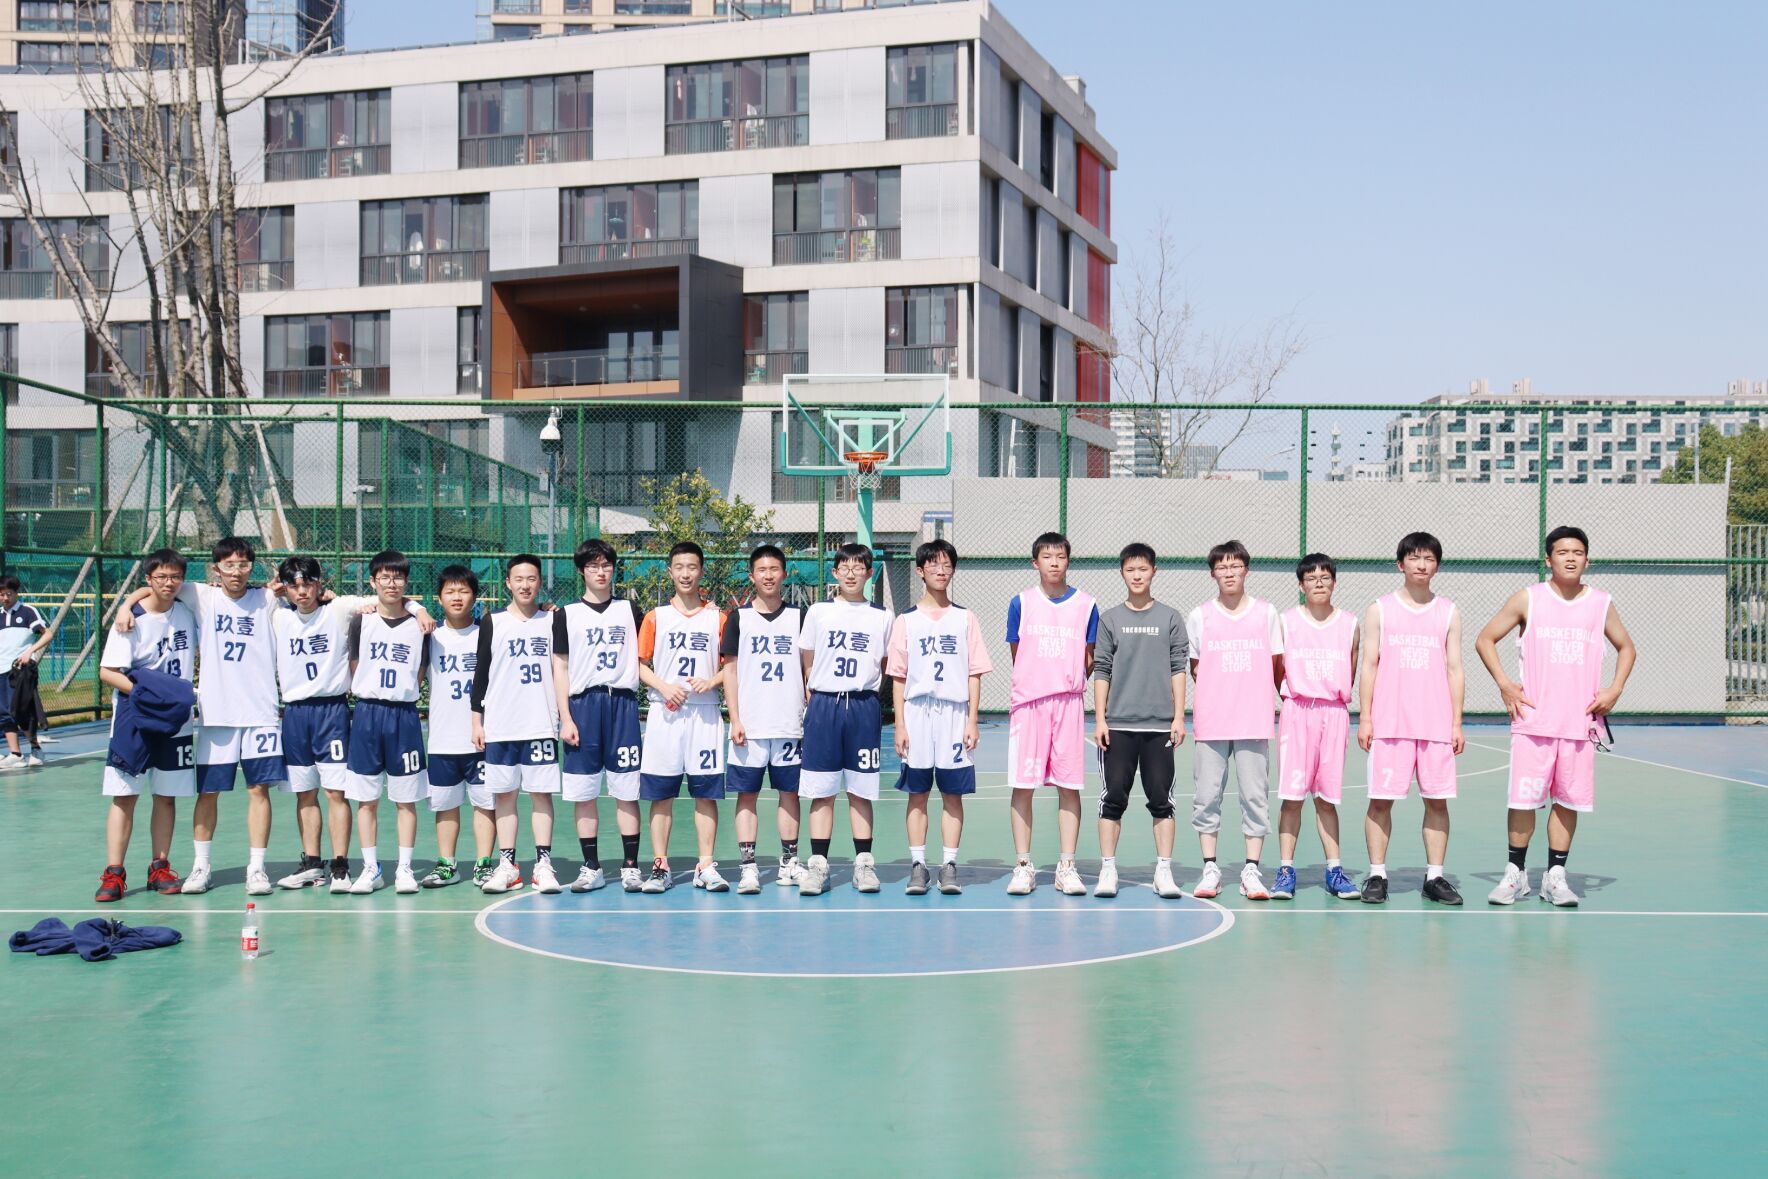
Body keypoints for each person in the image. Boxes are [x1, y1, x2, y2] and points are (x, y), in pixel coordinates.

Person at [1475, 526, 1637, 907]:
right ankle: (1515, 875)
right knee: (1523, 800)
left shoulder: (1600, 603)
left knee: (1567, 801)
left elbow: (1627, 647)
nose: (1570, 558)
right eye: (1562, 552)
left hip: (1579, 723)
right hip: (1534, 721)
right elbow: (1485, 639)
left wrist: (1614, 689)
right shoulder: (1529, 599)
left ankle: (1555, 877)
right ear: (1548, 559)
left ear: (1587, 560)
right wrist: (1505, 684)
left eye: (1577, 552)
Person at [116, 537, 285, 895]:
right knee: (209, 791)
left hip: (260, 713)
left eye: (243, 564)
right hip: (216, 714)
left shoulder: (267, 598)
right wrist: (126, 605)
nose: (236, 571)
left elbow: (313, 597)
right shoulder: (201, 595)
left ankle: (256, 869)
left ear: (251, 567)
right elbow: (157, 585)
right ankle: (200, 866)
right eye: (229, 565)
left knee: (258, 790)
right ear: (216, 569)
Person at [1359, 532, 1465, 906]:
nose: (1422, 565)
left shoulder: (1448, 611)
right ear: (1400, 564)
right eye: (1415, 558)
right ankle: (1377, 874)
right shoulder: (1380, 609)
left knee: (1437, 801)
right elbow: (1369, 665)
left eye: (1429, 559)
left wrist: (1456, 722)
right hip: (1391, 723)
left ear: (1437, 566)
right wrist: (1366, 717)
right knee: (1380, 801)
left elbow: (1455, 668)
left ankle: (1434, 877)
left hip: (1435, 725)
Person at [268, 556, 379, 892]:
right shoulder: (278, 616)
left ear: (320, 584)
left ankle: (340, 865)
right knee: (304, 793)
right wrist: (272, 589)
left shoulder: (338, 610)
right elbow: (244, 597)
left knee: (335, 792)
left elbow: (387, 597)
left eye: (308, 584)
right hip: (295, 713)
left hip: (331, 712)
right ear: (285, 588)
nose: (301, 592)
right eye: (293, 586)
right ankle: (313, 864)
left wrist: (417, 611)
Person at [889, 539, 990, 896]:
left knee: (952, 794)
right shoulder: (906, 620)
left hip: (953, 712)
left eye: (947, 565)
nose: (941, 570)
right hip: (917, 712)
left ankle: (949, 865)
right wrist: (900, 724)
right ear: (920, 571)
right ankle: (918, 865)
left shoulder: (965, 618)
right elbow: (898, 676)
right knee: (917, 793)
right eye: (933, 564)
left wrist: (972, 719)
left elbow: (974, 672)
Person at [94, 548, 196, 900]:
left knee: (166, 796)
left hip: (175, 718)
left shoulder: (188, 610)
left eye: (175, 576)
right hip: (135, 714)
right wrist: (151, 693)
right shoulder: (131, 620)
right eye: (161, 577)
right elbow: (108, 672)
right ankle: (114, 873)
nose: (169, 583)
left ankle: (160, 867)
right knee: (124, 796)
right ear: (149, 579)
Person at [795, 543, 894, 897]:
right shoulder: (819, 611)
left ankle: (864, 864)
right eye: (844, 567)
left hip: (863, 706)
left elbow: (886, 664)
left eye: (858, 567)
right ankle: (818, 866)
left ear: (869, 573)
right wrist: (816, 691)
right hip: (824, 705)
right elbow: (808, 660)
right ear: (834, 573)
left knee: (860, 790)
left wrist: (866, 692)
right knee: (821, 791)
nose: (851, 573)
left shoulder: (882, 616)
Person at [1186, 541, 1283, 900]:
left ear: (1247, 570)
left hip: (1253, 720)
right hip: (1212, 720)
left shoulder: (1266, 613)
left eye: (1235, 566)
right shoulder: (1200, 616)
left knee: (1255, 797)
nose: (1229, 573)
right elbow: (1197, 668)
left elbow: (1275, 663)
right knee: (1206, 796)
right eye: (1222, 567)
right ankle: (1210, 868)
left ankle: (1251, 870)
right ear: (1213, 573)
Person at [1092, 542, 1188, 900]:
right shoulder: (1110, 619)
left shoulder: (1170, 618)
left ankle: (1163, 870)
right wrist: (1100, 719)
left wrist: (1179, 716)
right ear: (1122, 573)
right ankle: (1108, 869)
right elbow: (1101, 670)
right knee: (1113, 799)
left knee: (1162, 800)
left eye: (1143, 569)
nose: (1137, 575)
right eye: (1130, 569)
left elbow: (1178, 668)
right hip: (1118, 725)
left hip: (1159, 726)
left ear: (1153, 572)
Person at [1005, 532, 1098, 897]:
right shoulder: (1021, 603)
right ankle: (1023, 865)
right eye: (1047, 556)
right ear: (1036, 562)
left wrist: (1064, 678)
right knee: (1023, 785)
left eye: (1060, 556)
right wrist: (1039, 678)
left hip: (1068, 704)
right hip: (1030, 704)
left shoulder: (1087, 605)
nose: (1054, 562)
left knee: (1069, 785)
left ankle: (1067, 866)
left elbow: (1089, 656)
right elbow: (1018, 652)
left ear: (1068, 561)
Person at [635, 542, 728, 894]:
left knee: (706, 793)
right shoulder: (655, 617)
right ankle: (660, 865)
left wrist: (712, 681)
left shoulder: (717, 618)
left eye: (692, 567)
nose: (686, 574)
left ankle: (705, 865)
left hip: (705, 714)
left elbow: (733, 666)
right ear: (670, 571)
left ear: (701, 571)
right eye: (679, 567)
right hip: (665, 713)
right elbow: (639, 665)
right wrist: (664, 686)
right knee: (661, 795)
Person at [552, 538, 641, 894]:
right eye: (593, 566)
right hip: (583, 707)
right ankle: (591, 867)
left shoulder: (630, 610)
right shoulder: (566, 614)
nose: (601, 572)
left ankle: (631, 866)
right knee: (584, 792)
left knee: (627, 790)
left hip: (622, 704)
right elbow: (560, 667)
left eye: (606, 565)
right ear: (581, 571)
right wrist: (565, 717)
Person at [472, 554, 563, 895]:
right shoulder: (492, 621)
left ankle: (543, 864)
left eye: (531, 578)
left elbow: (562, 670)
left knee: (541, 794)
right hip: (501, 724)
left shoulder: (553, 620)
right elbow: (481, 674)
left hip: (540, 723)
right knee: (504, 795)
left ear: (540, 582)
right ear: (508, 583)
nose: (525, 585)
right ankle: (508, 865)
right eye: (519, 579)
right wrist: (477, 721)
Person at [1274, 553, 1363, 901]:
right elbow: (1277, 668)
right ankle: (1286, 870)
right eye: (1311, 578)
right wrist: (1295, 694)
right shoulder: (1287, 621)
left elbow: (1351, 667)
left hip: (1333, 713)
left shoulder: (1350, 624)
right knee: (1292, 797)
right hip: (1298, 710)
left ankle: (1334, 871)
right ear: (1301, 585)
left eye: (1325, 577)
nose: (1319, 583)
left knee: (1326, 798)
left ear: (1334, 582)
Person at [342, 550, 431, 895]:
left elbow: (420, 671)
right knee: (366, 799)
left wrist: (417, 608)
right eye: (384, 577)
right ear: (373, 581)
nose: (391, 584)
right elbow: (355, 664)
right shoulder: (361, 621)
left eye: (398, 577)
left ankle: (405, 868)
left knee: (405, 799)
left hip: (404, 716)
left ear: (406, 582)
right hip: (367, 714)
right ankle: (371, 868)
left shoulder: (420, 625)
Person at [722, 544, 807, 894]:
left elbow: (808, 668)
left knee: (790, 794)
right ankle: (748, 867)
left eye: (774, 569)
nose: (768, 576)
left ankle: (789, 862)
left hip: (789, 724)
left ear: (784, 574)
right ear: (752, 575)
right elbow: (729, 671)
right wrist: (735, 718)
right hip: (751, 725)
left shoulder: (800, 616)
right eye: (762, 570)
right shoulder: (738, 618)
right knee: (747, 796)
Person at [423, 565, 487, 889]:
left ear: (475, 597)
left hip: (482, 736)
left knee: (485, 804)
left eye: (464, 591)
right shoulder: (429, 636)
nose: (457, 597)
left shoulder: (488, 633)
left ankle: (484, 864)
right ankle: (447, 864)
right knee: (445, 805)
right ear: (439, 598)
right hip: (443, 739)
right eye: (450, 591)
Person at [0, 574, 53, 769]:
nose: (5, 598)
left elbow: (48, 634)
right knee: (4, 712)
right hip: (1, 670)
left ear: (16, 593)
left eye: (9, 594)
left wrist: (29, 652)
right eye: (2, 594)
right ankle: (15, 754)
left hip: (21, 671)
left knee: (23, 710)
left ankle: (36, 749)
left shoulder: (28, 611)